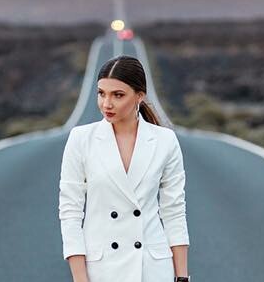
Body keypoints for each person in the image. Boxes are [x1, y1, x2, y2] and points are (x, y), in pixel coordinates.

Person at [58, 55, 191, 282]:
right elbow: (70, 212)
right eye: (101, 93)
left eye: (117, 95)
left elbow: (174, 211)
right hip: (102, 270)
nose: (106, 104)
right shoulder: (81, 139)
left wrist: (182, 278)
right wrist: (80, 279)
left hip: (153, 270)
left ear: (140, 95)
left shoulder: (165, 141)